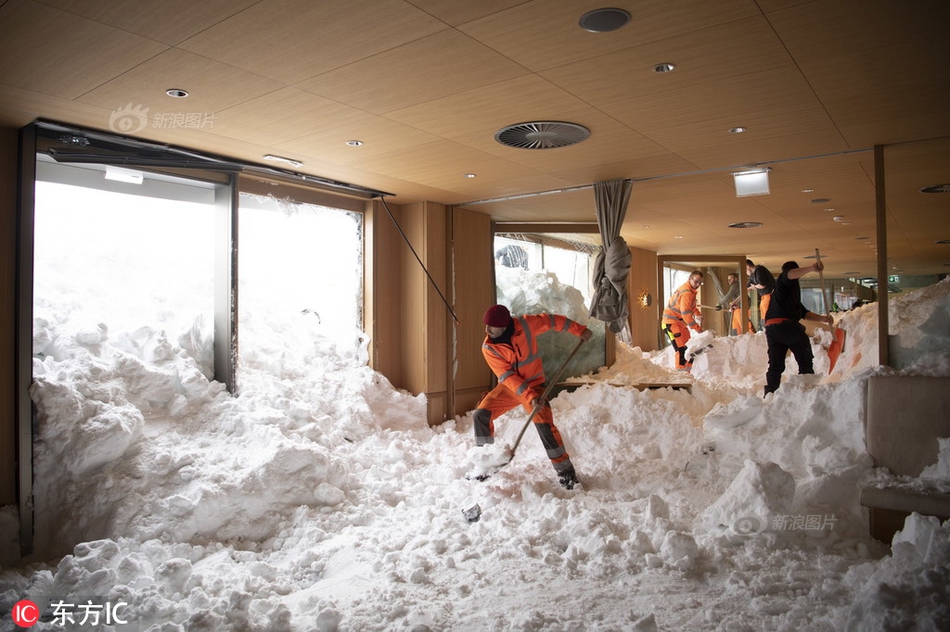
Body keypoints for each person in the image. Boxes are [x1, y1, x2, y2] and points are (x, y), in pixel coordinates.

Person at [473, 304, 592, 489]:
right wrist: (528, 396)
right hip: (510, 388)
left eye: (492, 326)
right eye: (486, 325)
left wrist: (580, 330)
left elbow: (553, 321)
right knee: (481, 415)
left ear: (504, 326)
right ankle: (485, 465)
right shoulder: (489, 347)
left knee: (545, 425)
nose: (487, 330)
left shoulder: (526, 325)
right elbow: (508, 377)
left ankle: (566, 473)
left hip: (535, 385)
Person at [762, 260, 834, 396]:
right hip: (786, 326)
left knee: (776, 365)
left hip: (772, 329)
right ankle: (807, 389)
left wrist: (823, 319)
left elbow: (804, 313)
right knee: (804, 358)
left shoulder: (787, 295)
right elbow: (790, 274)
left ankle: (770, 393)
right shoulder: (783, 282)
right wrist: (811, 268)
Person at [661, 270, 703, 372]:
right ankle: (681, 377)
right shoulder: (687, 293)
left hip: (680, 324)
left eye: (700, 283)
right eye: (696, 281)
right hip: (671, 324)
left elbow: (690, 307)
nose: (698, 285)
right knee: (681, 350)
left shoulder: (690, 291)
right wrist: (698, 329)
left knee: (689, 348)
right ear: (690, 279)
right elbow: (686, 314)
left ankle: (687, 373)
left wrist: (698, 314)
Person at [746, 259, 776, 328]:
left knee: (767, 314)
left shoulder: (759, 270)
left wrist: (754, 287)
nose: (746, 273)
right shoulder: (753, 275)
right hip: (764, 297)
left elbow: (762, 285)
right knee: (763, 313)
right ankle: (765, 329)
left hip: (769, 295)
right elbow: (748, 287)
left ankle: (768, 328)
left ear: (747, 267)